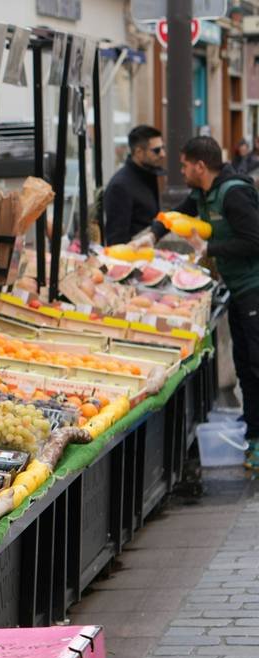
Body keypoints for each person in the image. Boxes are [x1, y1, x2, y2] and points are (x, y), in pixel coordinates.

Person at [147, 136, 259, 463]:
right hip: (237, 290)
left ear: (200, 165)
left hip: (253, 288)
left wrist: (211, 249)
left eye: (184, 165)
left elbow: (254, 240)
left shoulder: (233, 194)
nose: (180, 170)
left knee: (256, 362)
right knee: (244, 364)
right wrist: (152, 233)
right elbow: (174, 214)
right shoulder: (203, 193)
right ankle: (253, 432)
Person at [101, 125, 165, 245]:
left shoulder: (148, 175)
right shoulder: (121, 186)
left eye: (163, 148)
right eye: (156, 150)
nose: (162, 154)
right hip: (131, 258)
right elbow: (116, 240)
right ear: (139, 152)